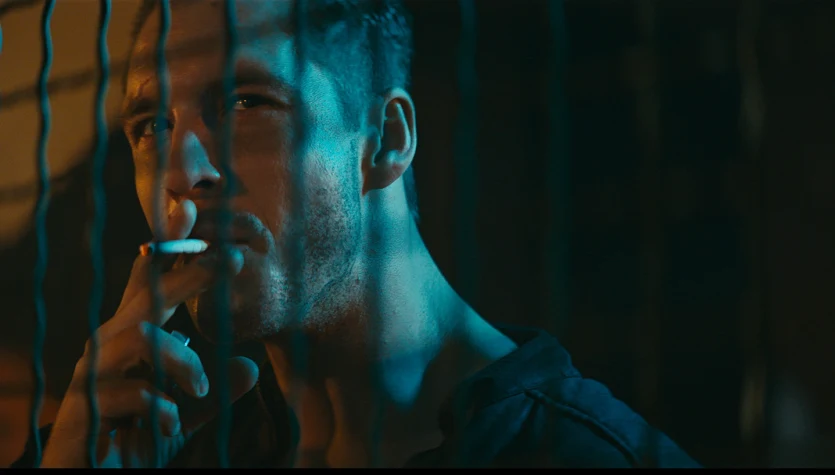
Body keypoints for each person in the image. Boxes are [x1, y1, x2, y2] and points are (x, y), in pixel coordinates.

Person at [13, 0, 700, 468]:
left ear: (386, 139)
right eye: (151, 126)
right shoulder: (154, 449)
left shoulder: (581, 454)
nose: (181, 171)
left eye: (247, 102)